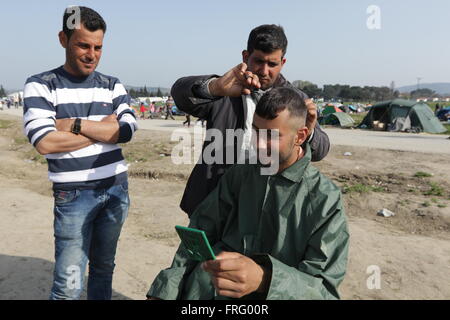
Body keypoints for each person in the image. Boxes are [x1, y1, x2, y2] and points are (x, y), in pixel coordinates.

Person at [147, 87, 349, 300]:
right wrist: (166, 291)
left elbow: (324, 291)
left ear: (300, 136)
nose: (259, 145)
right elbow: (200, 233)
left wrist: (266, 279)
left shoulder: (324, 200)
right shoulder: (240, 175)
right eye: (255, 131)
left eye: (271, 136)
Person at [22, 6, 137, 300]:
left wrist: (73, 125)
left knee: (103, 269)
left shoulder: (112, 84)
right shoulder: (41, 84)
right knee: (69, 285)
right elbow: (46, 143)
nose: (91, 54)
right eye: (83, 45)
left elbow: (127, 131)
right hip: (73, 195)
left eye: (98, 47)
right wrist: (103, 129)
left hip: (115, 191)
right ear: (63, 39)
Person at [171, 24, 330, 217]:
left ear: (283, 62)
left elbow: (320, 150)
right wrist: (214, 88)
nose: (264, 71)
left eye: (272, 64)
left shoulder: (296, 99)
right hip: (213, 202)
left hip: (264, 207)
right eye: (258, 61)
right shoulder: (226, 88)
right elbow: (180, 92)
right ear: (246, 57)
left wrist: (309, 131)